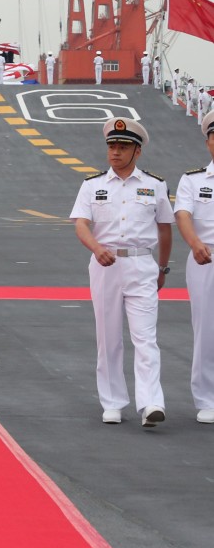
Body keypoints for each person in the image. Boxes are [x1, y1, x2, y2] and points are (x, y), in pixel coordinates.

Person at [70, 118, 172, 427]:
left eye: (123, 146)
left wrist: (163, 267)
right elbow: (81, 224)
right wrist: (96, 248)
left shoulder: (154, 185)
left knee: (146, 337)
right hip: (105, 265)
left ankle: (151, 402)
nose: (115, 152)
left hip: (142, 264)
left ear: (137, 151)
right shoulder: (92, 185)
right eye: (112, 146)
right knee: (108, 337)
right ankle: (112, 401)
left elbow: (165, 229)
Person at [173, 110, 214, 424]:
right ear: (208, 141)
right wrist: (194, 243)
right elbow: (183, 214)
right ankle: (207, 398)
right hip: (206, 256)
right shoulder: (193, 179)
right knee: (207, 329)